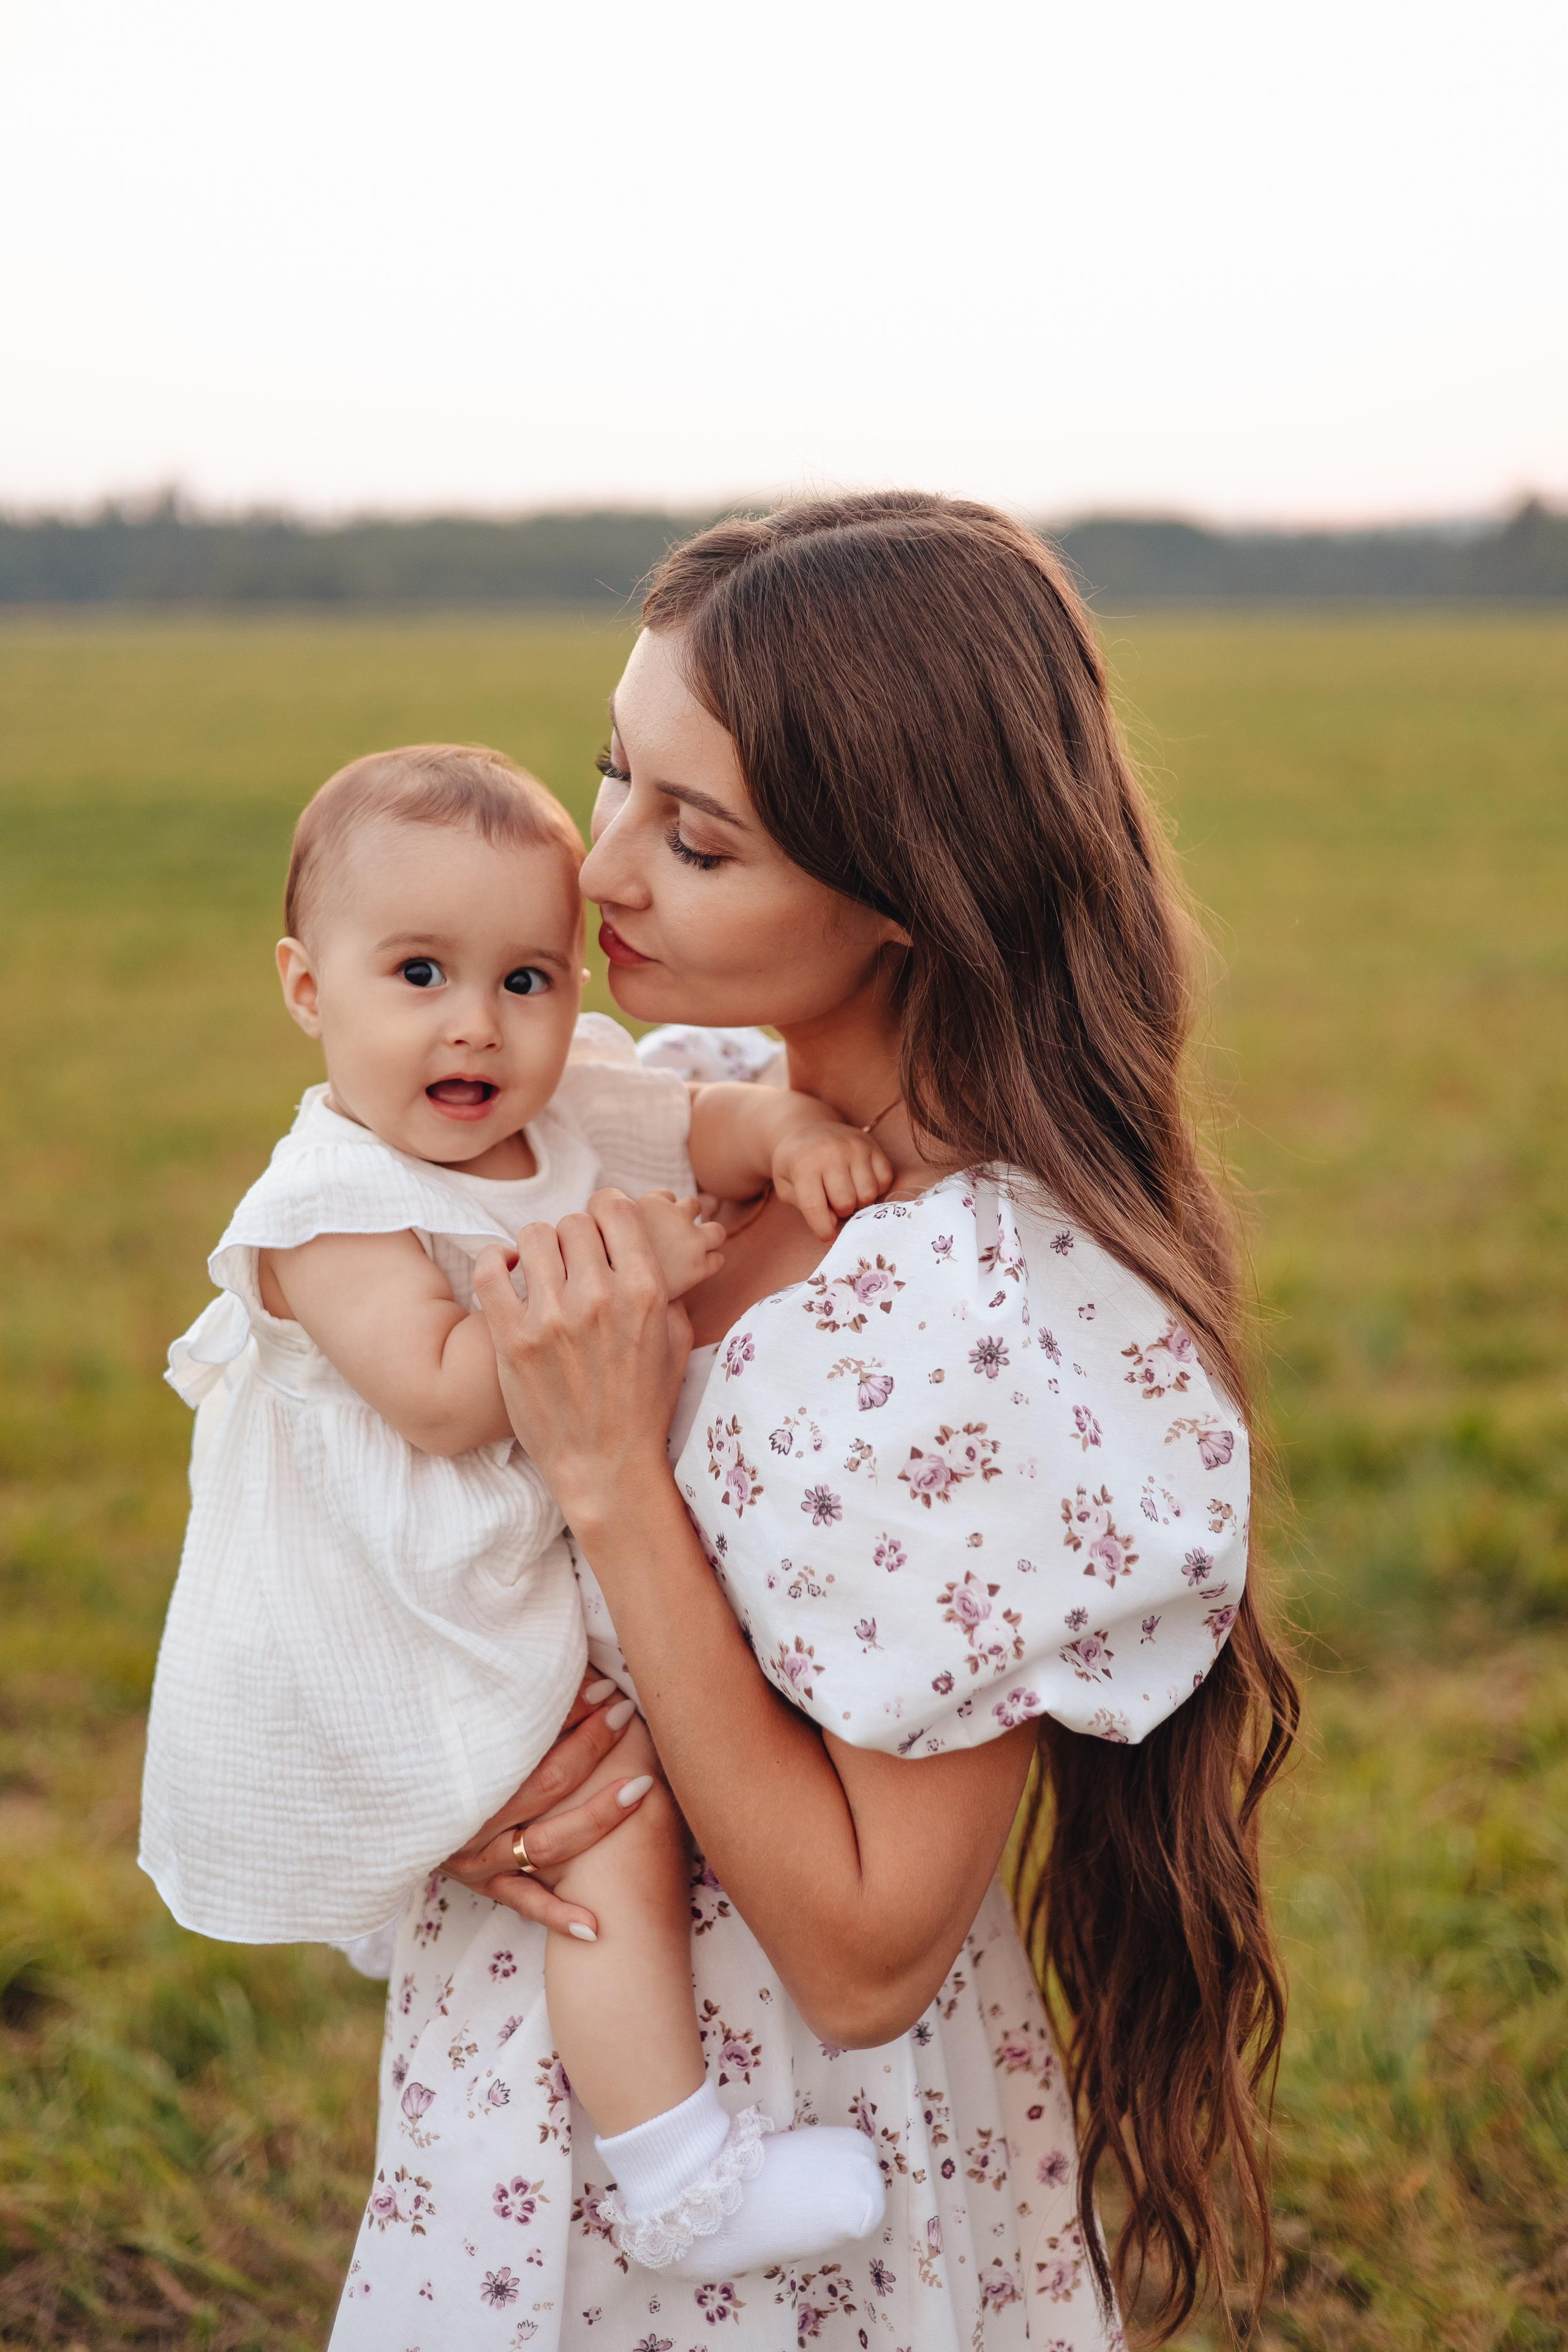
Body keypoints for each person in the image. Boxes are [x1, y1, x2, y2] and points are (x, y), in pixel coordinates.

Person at [331, 494, 1298, 2350]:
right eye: (615, 775)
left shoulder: (968, 1318)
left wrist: (616, 1475)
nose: (594, 873)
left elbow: (867, 1955)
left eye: (694, 841)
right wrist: (431, 1783)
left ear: (906, 890)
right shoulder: (657, 1112)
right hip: (519, 2091)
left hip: (787, 2167)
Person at [140, 742, 892, 2281]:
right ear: (307, 989)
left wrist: (793, 1140)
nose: (476, 1024)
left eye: (528, 979)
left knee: (622, 1800)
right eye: (417, 973)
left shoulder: (565, 1110)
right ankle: (680, 2175)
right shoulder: (326, 1203)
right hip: (405, 1607)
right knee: (611, 1825)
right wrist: (629, 1276)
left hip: (507, 1568)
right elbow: (433, 1389)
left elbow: (704, 1126)